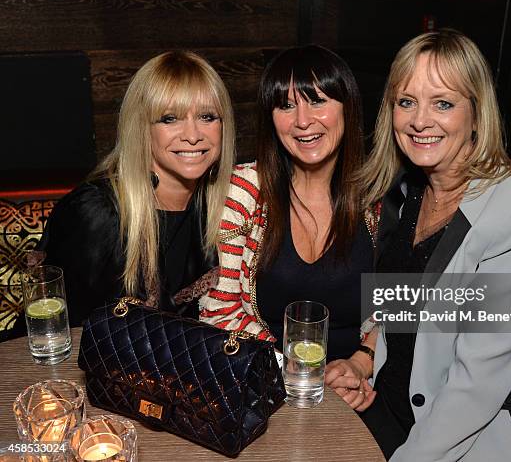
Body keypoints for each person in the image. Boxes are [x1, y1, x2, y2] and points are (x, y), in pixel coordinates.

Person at [325, 29, 511, 461]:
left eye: (443, 103)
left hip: (479, 437)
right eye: (406, 102)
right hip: (390, 404)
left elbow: (477, 385)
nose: (420, 120)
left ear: (476, 113)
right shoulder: (404, 191)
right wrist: (364, 361)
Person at [199, 45, 376, 361]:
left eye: (317, 101)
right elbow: (218, 311)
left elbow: (402, 306)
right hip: (263, 373)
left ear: (347, 107)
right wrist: (288, 372)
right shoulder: (244, 190)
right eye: (285, 106)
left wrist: (364, 363)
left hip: (358, 386)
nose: (302, 121)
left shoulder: (377, 196)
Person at [38, 51, 235, 325]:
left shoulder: (225, 205)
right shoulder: (98, 214)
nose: (192, 135)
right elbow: (57, 327)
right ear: (141, 128)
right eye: (169, 118)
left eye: (207, 117)